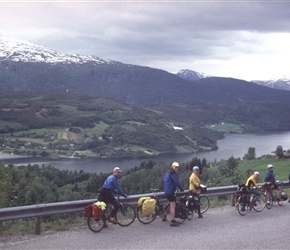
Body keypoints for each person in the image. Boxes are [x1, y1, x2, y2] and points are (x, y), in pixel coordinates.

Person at [163, 162, 184, 227]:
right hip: (170, 192)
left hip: (166, 191)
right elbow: (177, 182)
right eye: (176, 167)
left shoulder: (167, 172)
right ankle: (172, 221)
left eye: (177, 167)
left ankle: (164, 216)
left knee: (168, 203)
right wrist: (181, 188)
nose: (177, 168)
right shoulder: (172, 173)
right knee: (173, 206)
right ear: (172, 166)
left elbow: (163, 180)